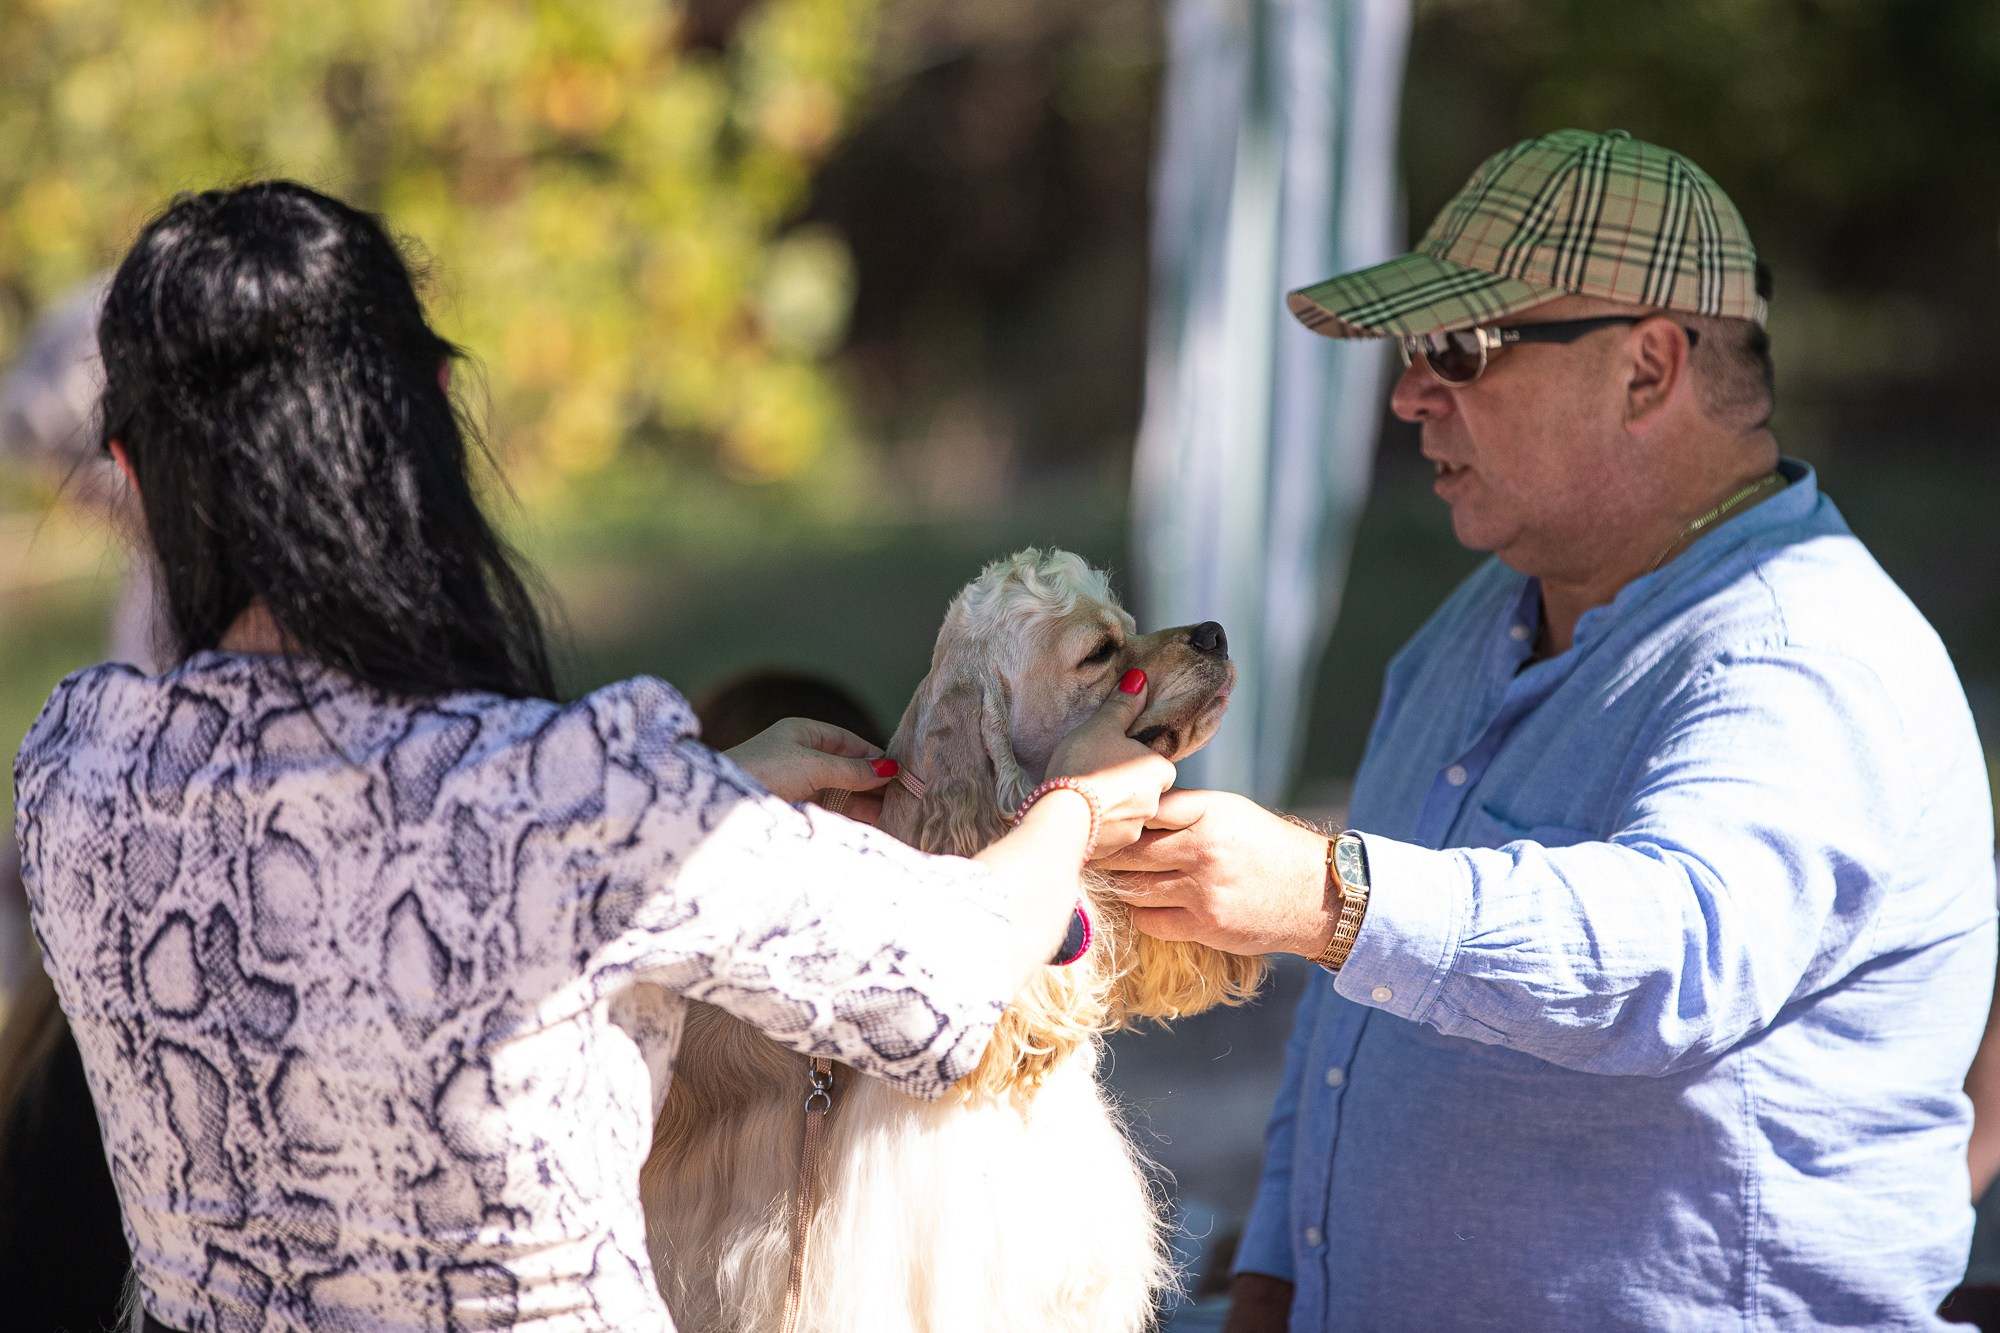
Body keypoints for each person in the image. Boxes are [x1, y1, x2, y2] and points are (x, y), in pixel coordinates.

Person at [10, 181, 1176, 1333]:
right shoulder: (577, 795)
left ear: (131, 468)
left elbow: (357, 885)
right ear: (432, 404)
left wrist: (709, 797)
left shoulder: (75, 772)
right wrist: (1077, 800)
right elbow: (945, 980)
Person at [1105, 129, 1997, 1330]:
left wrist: (1327, 896)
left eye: (1459, 349)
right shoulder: (1491, 607)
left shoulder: (1799, 648)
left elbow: (1672, 956)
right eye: (1412, 352)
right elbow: (1344, 1030)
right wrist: (1272, 1283)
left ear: (1646, 369)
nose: (1409, 395)